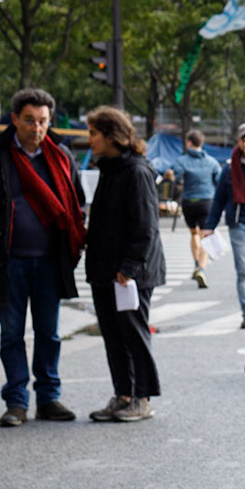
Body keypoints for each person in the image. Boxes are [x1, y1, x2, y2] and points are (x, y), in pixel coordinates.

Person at [0, 88, 86, 428]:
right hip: (8, 262)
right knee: (12, 333)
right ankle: (16, 401)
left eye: (43, 121)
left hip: (49, 261)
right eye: (29, 120)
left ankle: (48, 398)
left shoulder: (60, 156)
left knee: (50, 333)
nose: (36, 128)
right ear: (14, 119)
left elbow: (78, 205)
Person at [82, 107, 164, 422]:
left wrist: (129, 267)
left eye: (93, 133)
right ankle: (124, 395)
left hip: (131, 273)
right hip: (106, 269)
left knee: (133, 334)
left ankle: (141, 398)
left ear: (111, 135)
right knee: (114, 337)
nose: (89, 140)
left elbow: (146, 227)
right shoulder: (111, 168)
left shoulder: (137, 172)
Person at [199, 122, 245, 328]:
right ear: (238, 141)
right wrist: (210, 226)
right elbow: (218, 200)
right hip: (239, 225)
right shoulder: (229, 167)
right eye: (243, 138)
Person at [167, 129, 222, 288]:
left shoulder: (182, 161)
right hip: (207, 201)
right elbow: (218, 180)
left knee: (194, 233)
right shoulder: (211, 162)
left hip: (189, 201)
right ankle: (201, 269)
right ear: (202, 143)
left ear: (189, 143)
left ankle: (196, 263)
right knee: (205, 235)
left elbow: (175, 177)